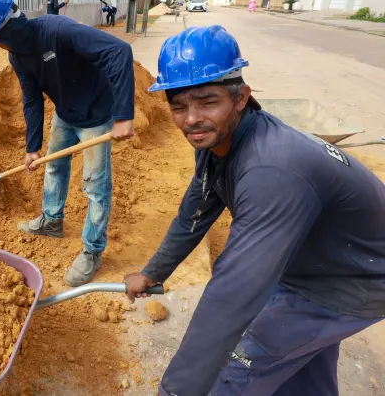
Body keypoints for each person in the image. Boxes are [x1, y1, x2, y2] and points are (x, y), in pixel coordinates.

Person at [124, 25, 385, 396]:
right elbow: (195, 211)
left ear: (241, 97)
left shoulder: (270, 170)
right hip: (319, 261)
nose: (191, 118)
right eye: (178, 106)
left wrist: (176, 391)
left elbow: (234, 293)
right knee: (300, 370)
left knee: (236, 370)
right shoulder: (222, 141)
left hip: (350, 280)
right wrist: (154, 272)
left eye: (207, 101)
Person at [0, 0, 136, 286]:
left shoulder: (58, 31)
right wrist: (32, 148)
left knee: (96, 187)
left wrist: (123, 115)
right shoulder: (17, 57)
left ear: (10, 27)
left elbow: (119, 52)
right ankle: (52, 220)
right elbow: (32, 100)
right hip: (65, 114)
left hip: (97, 115)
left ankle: (92, 251)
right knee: (52, 166)